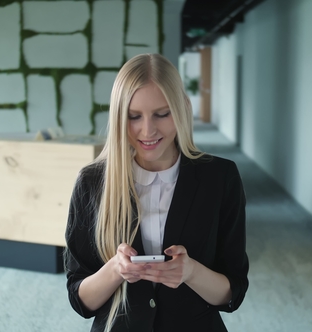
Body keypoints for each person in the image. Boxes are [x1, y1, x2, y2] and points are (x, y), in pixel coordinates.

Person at [65, 53, 249, 332]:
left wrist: (191, 272)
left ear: (183, 109)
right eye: (133, 116)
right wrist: (116, 270)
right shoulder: (92, 183)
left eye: (161, 114)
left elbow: (232, 293)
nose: (147, 130)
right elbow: (80, 300)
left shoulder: (221, 178)